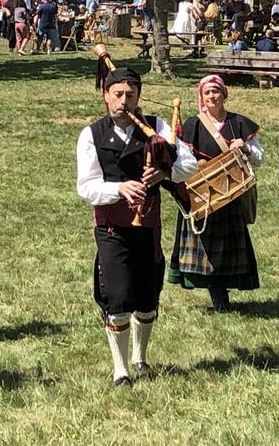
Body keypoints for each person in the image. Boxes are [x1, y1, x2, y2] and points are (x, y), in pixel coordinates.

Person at [76, 67, 198, 386]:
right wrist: (119, 188)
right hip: (111, 227)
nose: (123, 101)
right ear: (105, 96)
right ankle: (121, 370)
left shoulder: (156, 127)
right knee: (117, 299)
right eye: (117, 94)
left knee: (147, 298)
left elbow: (189, 164)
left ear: (138, 97)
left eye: (130, 95)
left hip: (148, 225)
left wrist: (165, 173)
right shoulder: (92, 134)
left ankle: (140, 357)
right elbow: (86, 187)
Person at [168, 75, 263, 311]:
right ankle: (218, 298)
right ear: (202, 97)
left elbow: (259, 158)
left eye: (216, 92)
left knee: (229, 250)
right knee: (208, 251)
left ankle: (223, 296)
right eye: (207, 93)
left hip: (231, 195)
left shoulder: (238, 123)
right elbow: (182, 161)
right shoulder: (193, 125)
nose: (212, 96)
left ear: (224, 94)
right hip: (204, 197)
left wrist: (246, 148)